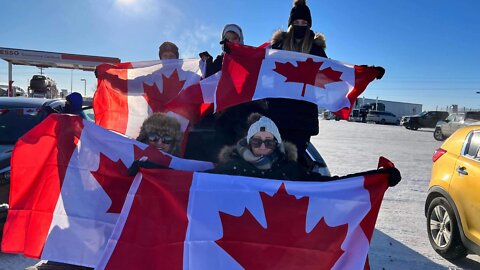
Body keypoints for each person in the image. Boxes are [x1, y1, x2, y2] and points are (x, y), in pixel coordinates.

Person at [208, 115, 309, 180]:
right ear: (249, 142)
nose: (263, 146)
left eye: (269, 142)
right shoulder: (234, 167)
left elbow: (318, 185)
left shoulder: (289, 169)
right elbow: (201, 182)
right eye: (257, 141)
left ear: (276, 143)